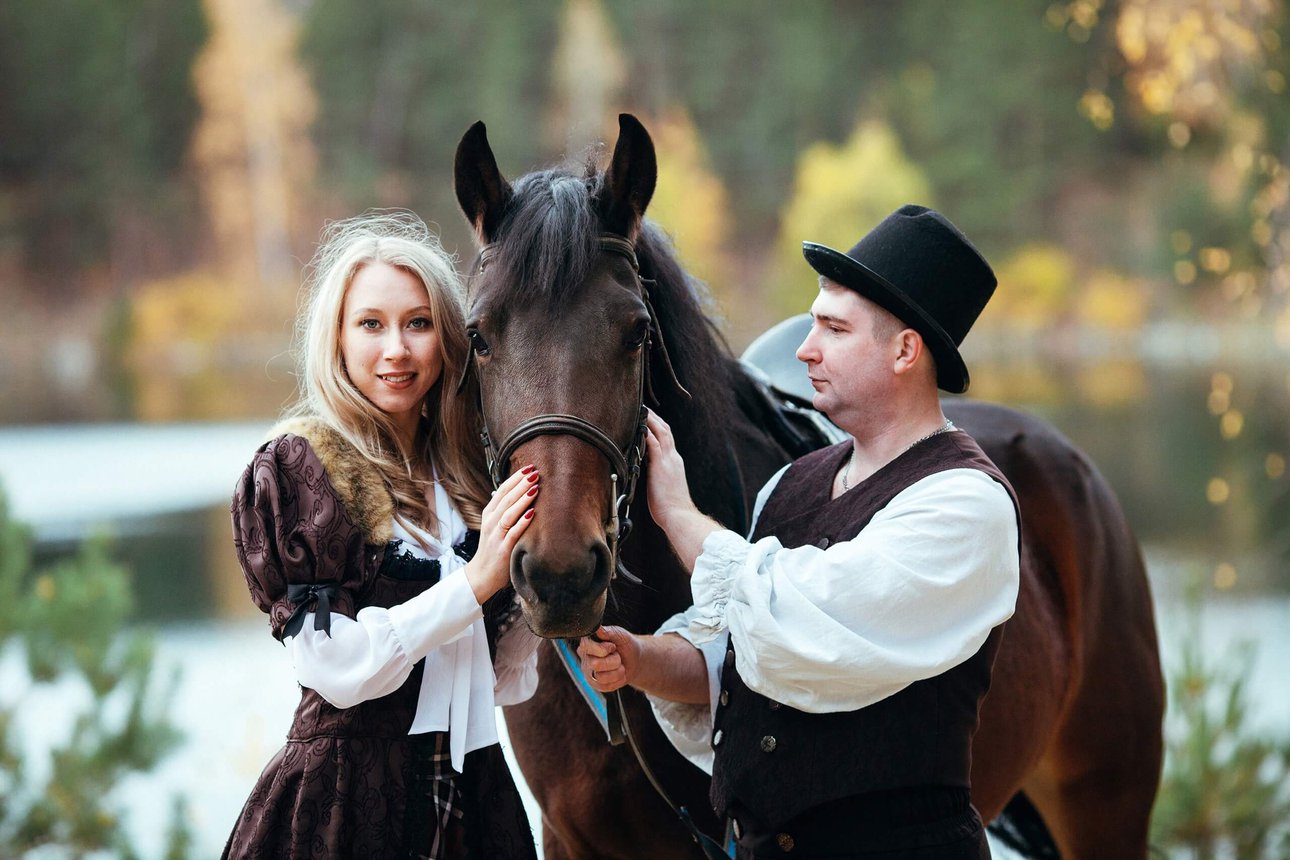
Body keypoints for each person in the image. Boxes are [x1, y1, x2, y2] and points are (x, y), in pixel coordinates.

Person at [579, 205, 1021, 858]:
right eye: (813, 324)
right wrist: (640, 660)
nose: (803, 349)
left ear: (905, 350)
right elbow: (736, 658)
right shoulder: (791, 485)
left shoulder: (965, 506)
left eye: (834, 329)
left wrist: (678, 515)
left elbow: (805, 621)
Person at [224, 212, 540, 859]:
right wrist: (476, 583)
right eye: (371, 324)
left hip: (473, 805)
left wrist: (543, 590)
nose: (396, 349)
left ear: (447, 338)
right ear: (336, 339)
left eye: (418, 323)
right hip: (343, 810)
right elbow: (335, 669)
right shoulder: (301, 469)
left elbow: (503, 681)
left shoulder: (467, 478)